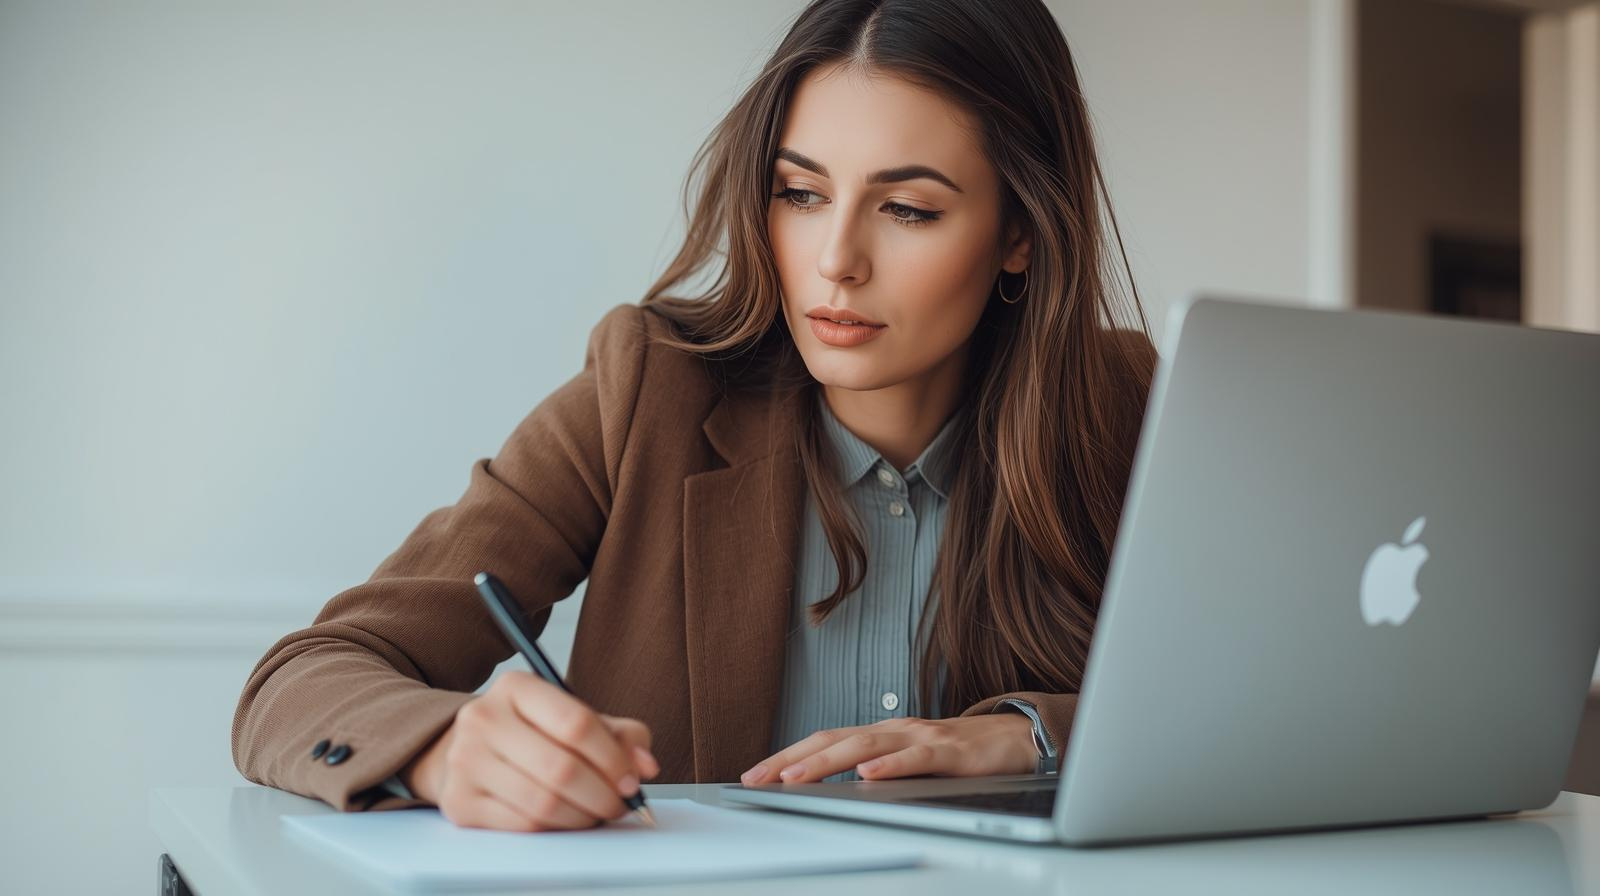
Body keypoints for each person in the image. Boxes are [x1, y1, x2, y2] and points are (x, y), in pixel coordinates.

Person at [231, 0, 1157, 834]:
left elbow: (1284, 706)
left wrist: (1032, 737)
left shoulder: (1125, 412)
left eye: (908, 209)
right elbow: (305, 678)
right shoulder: (650, 390)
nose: (836, 259)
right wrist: (442, 748)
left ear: (1023, 234)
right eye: (800, 193)